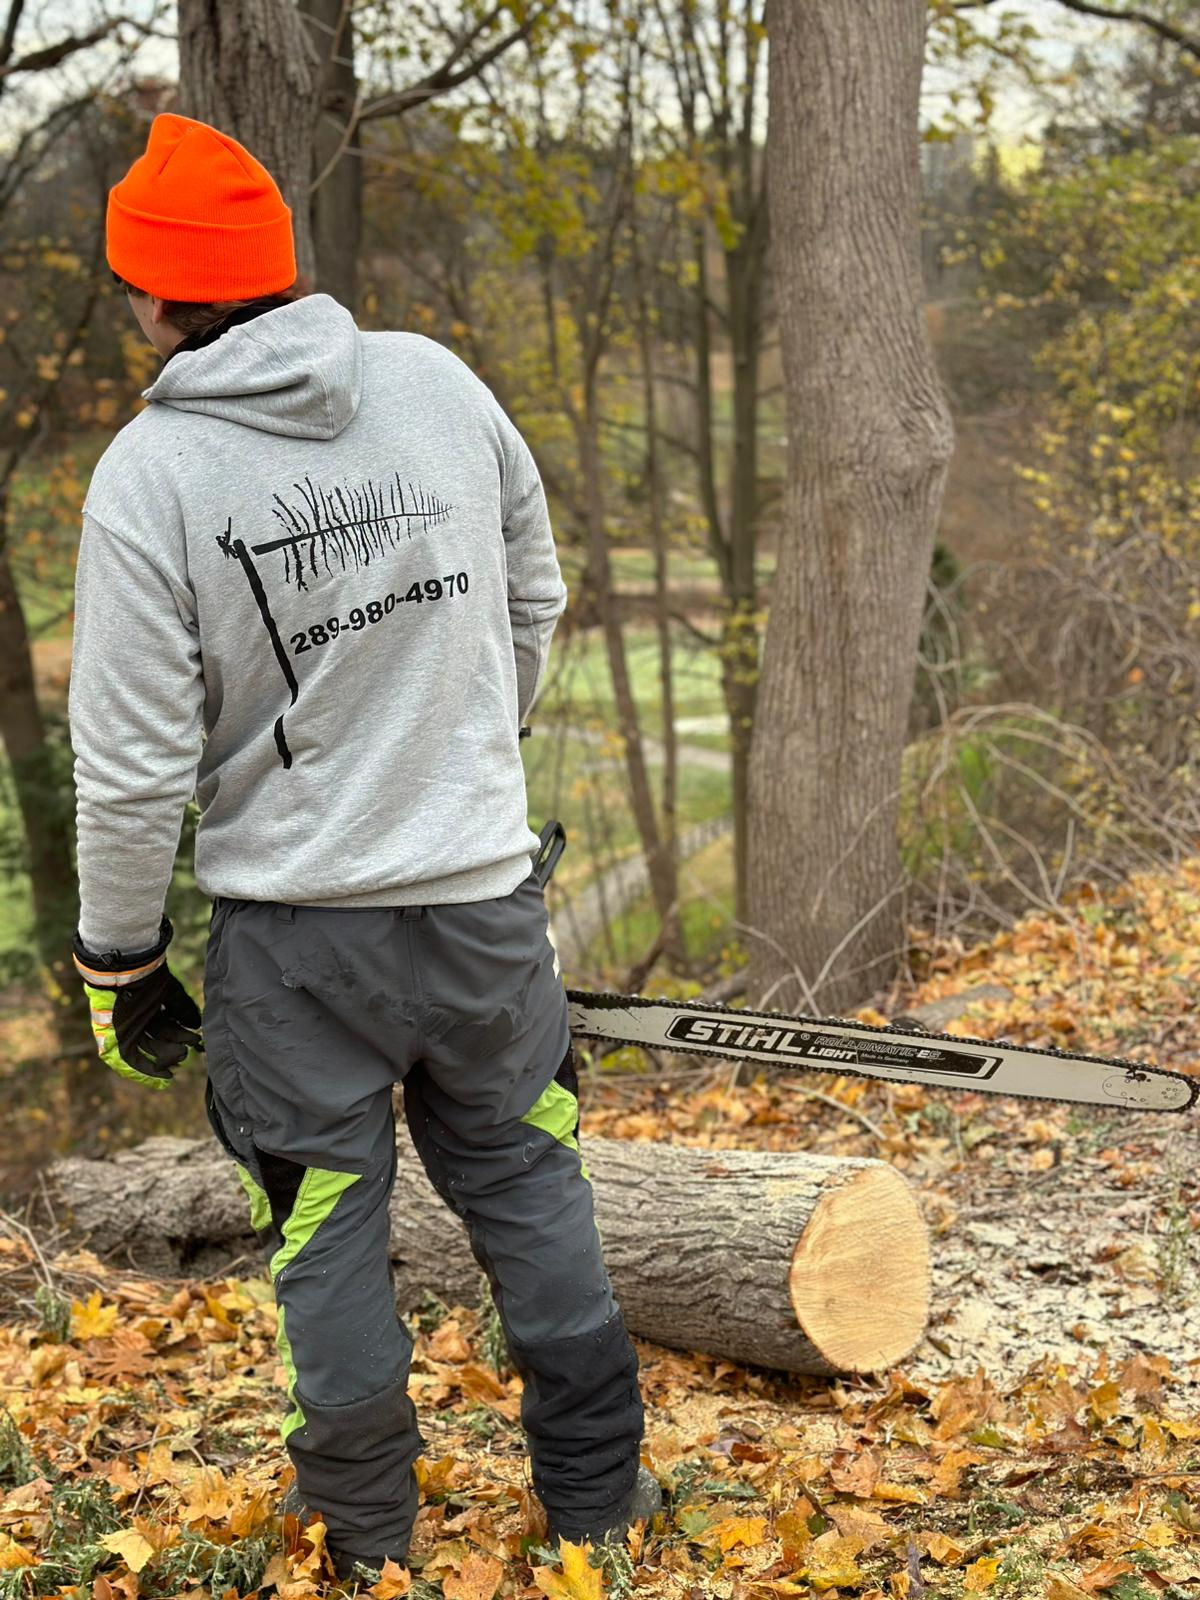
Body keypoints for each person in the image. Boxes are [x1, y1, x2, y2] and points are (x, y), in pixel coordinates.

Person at [67, 111, 659, 1580]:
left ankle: (371, 1548)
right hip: (483, 910)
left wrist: (118, 959)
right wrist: (459, 767)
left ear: (151, 293)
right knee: (531, 1183)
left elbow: (131, 769)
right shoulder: (435, 382)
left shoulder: (152, 474)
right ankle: (601, 1505)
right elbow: (534, 594)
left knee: (326, 1229)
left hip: (294, 943)